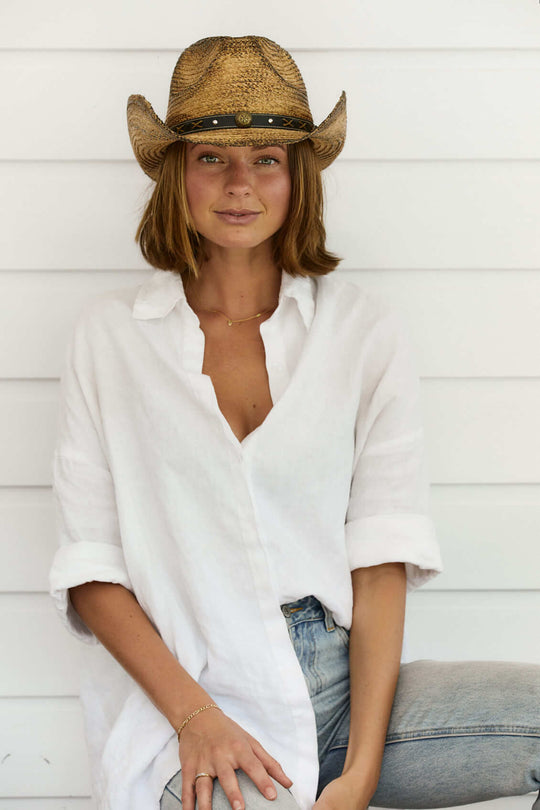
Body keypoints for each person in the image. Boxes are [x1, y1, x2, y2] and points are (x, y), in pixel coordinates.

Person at [49, 35, 540, 810]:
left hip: (342, 691)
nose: (240, 183)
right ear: (175, 171)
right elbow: (91, 575)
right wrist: (196, 718)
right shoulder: (109, 339)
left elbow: (379, 562)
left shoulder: (361, 332)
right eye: (212, 158)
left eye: (268, 157)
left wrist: (362, 776)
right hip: (192, 701)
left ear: (298, 175)